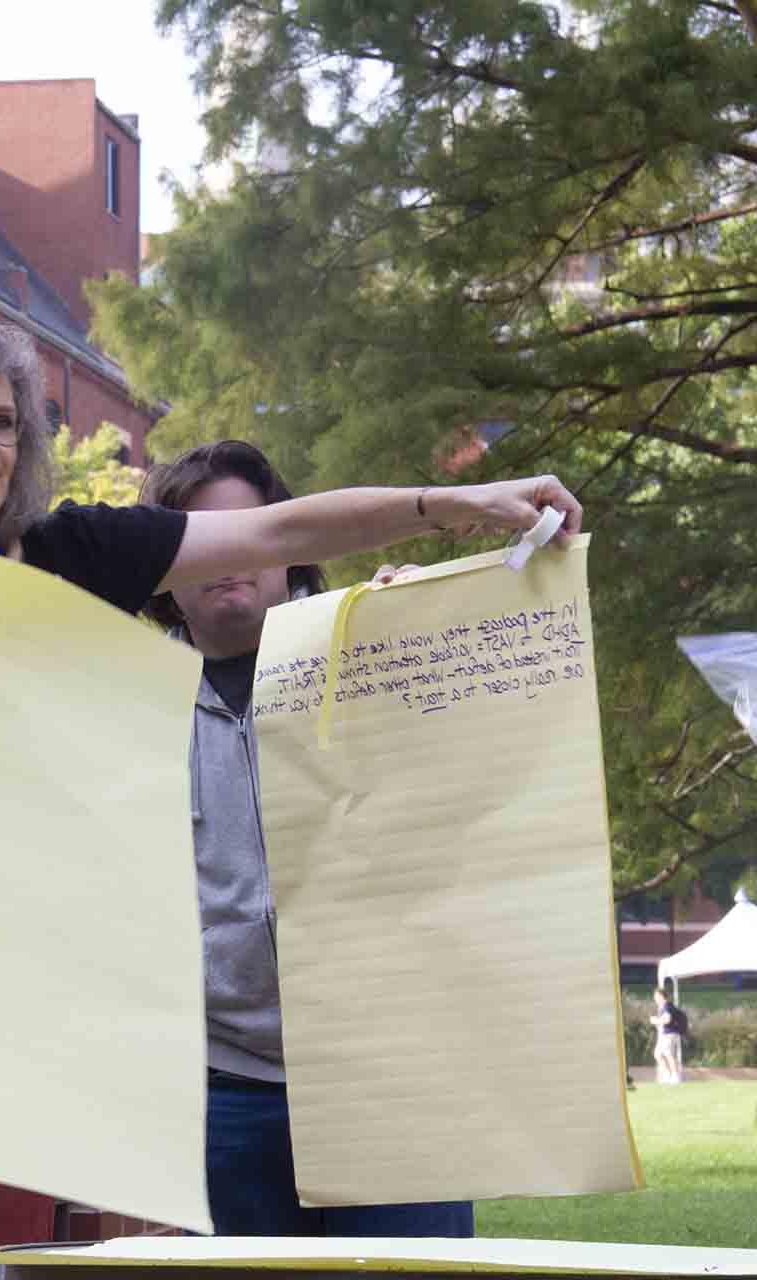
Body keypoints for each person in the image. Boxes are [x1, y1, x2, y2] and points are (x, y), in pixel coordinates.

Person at [0, 317, 581, 1279]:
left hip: (2, 1006)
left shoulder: (66, 556)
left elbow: (282, 529)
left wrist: (463, 503)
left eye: (4, 423)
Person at [139, 440, 474, 1238]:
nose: (230, 557)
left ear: (292, 551)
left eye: (251, 532)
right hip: (220, 1097)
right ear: (163, 575)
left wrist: (427, 632)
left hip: (388, 1081)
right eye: (201, 540)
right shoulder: (122, 702)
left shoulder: (379, 654)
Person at [650, 988, 685, 1085]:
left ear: (661, 996)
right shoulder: (663, 1007)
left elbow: (667, 1020)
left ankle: (675, 1076)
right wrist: (657, 1020)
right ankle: (667, 1074)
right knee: (658, 1054)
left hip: (669, 1034)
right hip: (665, 1034)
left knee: (668, 1054)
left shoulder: (667, 1006)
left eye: (656, 996)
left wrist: (655, 1021)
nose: (655, 998)